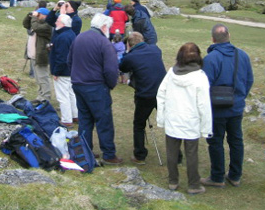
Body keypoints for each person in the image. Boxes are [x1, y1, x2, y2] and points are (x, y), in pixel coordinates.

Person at [201, 23, 254, 188]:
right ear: (229, 36)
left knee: (216, 141)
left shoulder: (210, 59)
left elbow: (204, 85)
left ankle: (217, 177)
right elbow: (249, 79)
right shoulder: (242, 55)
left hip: (216, 108)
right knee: (236, 140)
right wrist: (240, 97)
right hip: (236, 106)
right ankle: (235, 175)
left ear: (212, 39)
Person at [156, 42, 212, 194]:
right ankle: (193, 184)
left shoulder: (171, 73)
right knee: (191, 154)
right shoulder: (200, 77)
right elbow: (204, 105)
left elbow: (160, 94)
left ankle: (173, 181)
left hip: (173, 119)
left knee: (172, 153)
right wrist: (206, 129)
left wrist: (161, 118)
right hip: (190, 122)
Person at [68, 13, 122, 165]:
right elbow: (111, 69)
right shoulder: (104, 42)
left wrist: (76, 77)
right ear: (104, 26)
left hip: (78, 84)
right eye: (109, 28)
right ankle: (109, 154)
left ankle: (85, 152)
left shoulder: (79, 38)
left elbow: (69, 61)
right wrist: (110, 85)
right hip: (96, 86)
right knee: (103, 121)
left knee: (85, 120)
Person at [119, 32, 167, 165]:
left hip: (145, 94)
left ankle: (140, 155)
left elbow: (122, 67)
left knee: (139, 124)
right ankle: (177, 154)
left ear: (129, 44)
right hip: (162, 92)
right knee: (169, 122)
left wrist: (126, 53)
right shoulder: (155, 49)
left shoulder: (131, 56)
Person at [49, 14, 78, 127]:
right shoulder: (71, 34)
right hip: (72, 70)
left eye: (58, 21)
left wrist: (56, 72)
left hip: (63, 71)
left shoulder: (62, 38)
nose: (56, 23)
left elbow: (61, 58)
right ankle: (75, 115)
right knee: (71, 94)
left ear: (63, 24)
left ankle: (66, 119)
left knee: (62, 96)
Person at [23, 7, 53, 101]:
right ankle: (40, 96)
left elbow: (36, 28)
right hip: (33, 55)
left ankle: (46, 97)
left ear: (45, 16)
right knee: (37, 78)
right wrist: (29, 15)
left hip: (41, 55)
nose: (36, 16)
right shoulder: (37, 22)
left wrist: (34, 18)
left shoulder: (48, 25)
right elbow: (26, 24)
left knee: (43, 77)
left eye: (38, 15)